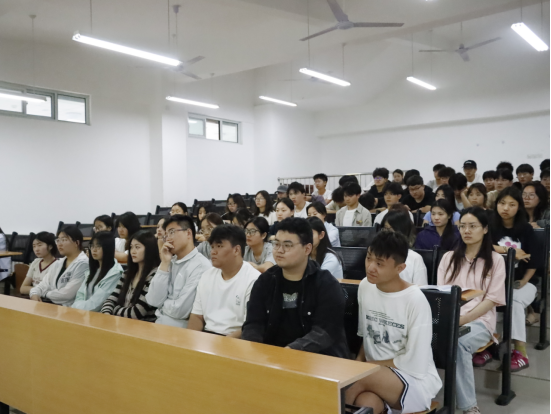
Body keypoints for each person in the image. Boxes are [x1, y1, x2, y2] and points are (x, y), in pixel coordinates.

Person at [345, 231, 441, 414]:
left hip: (414, 379)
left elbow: (416, 362)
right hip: (375, 374)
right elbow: (367, 335)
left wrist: (364, 369)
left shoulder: (415, 300)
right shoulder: (365, 286)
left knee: (352, 380)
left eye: (379, 263)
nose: (370, 267)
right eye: (368, 258)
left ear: (400, 268)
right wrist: (358, 363)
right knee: (365, 404)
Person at [242, 218, 349, 358]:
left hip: (317, 359)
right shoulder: (265, 281)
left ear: (307, 249)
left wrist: (288, 352)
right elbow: (253, 324)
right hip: (271, 356)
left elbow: (324, 333)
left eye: (287, 245)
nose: (279, 250)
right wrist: (255, 352)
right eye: (276, 244)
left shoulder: (326, 284)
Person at [438, 207, 506, 414]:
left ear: (485, 229)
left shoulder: (496, 260)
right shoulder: (448, 258)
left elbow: (492, 299)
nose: (466, 231)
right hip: (450, 318)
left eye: (473, 226)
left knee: (458, 343)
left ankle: (469, 407)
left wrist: (463, 319)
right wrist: (451, 319)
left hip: (480, 321)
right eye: (462, 226)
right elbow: (442, 294)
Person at [491, 187, 542, 371]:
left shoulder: (526, 229)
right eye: (502, 203)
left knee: (514, 300)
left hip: (523, 282)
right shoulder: (490, 226)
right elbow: (483, 246)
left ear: (519, 207)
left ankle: (520, 352)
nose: (506, 208)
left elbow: (534, 261)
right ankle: (488, 345)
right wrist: (509, 250)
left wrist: (524, 281)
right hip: (496, 282)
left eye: (511, 204)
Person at [188, 226, 260, 337]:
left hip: (236, 340)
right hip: (207, 337)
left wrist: (220, 343)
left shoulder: (254, 279)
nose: (213, 252)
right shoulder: (207, 275)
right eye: (212, 247)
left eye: (219, 246)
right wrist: (190, 339)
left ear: (236, 250)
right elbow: (197, 316)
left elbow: (249, 326)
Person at [145, 215, 211, 328]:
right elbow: (152, 300)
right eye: (166, 235)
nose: (168, 238)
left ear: (188, 233)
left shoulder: (201, 265)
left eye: (172, 232)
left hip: (179, 331)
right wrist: (165, 262)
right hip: (158, 325)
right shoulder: (169, 260)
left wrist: (161, 304)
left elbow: (181, 311)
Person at [101, 231, 161, 321]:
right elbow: (111, 299)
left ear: (149, 249)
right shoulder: (127, 274)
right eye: (131, 247)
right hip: (122, 323)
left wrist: (114, 310)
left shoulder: (154, 275)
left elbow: (136, 313)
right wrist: (106, 314)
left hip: (144, 326)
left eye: (137, 247)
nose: (133, 251)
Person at [30, 226, 89, 306]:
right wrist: (34, 294)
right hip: (51, 305)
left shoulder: (83, 264)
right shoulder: (58, 263)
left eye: (64, 240)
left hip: (71, 308)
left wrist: (45, 294)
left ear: (76, 243)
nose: (59, 244)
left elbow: (67, 295)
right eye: (58, 240)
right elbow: (43, 284)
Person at [72, 232, 124, 312]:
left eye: (98, 246)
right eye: (92, 246)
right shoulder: (93, 270)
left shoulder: (115, 273)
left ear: (108, 248)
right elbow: (80, 295)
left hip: (99, 315)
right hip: (82, 312)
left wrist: (75, 308)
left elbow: (95, 305)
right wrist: (75, 308)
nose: (94, 250)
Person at [381, 210, 428, 285]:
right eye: (385, 228)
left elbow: (421, 287)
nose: (387, 232)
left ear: (402, 230)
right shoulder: (377, 253)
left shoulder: (415, 258)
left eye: (390, 229)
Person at [20, 232, 58, 296]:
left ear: (50, 246)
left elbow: (52, 291)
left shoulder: (57, 265)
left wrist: (33, 290)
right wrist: (37, 291)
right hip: (34, 296)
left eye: (40, 245)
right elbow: (23, 288)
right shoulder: (35, 262)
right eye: (34, 246)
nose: (36, 249)